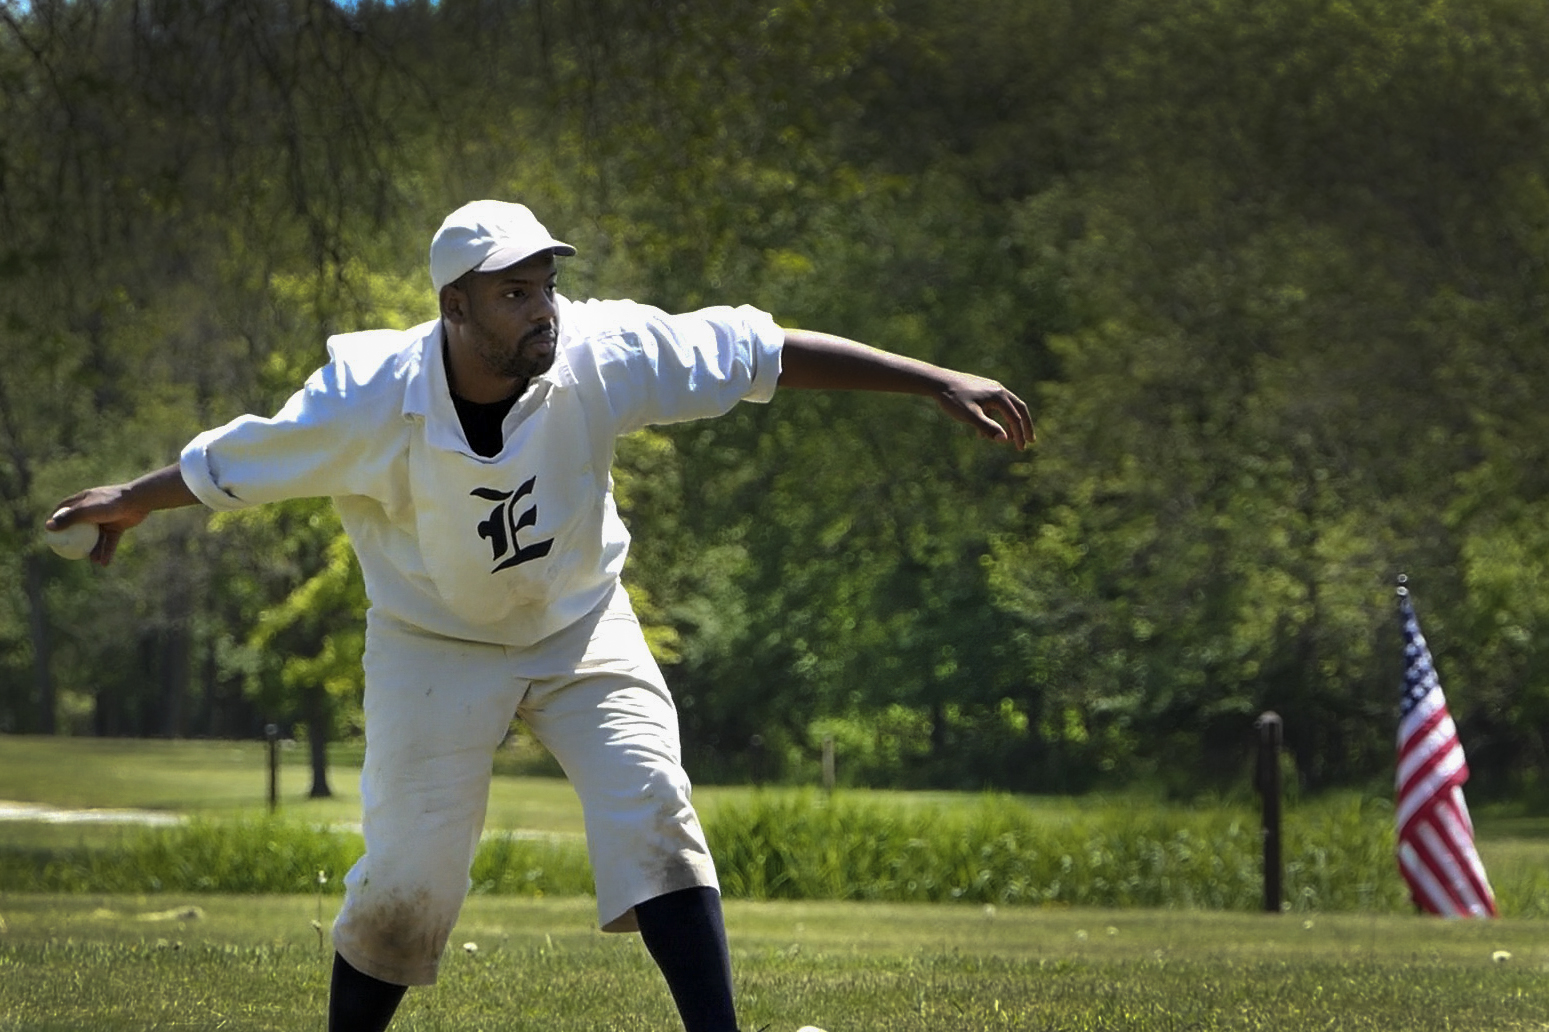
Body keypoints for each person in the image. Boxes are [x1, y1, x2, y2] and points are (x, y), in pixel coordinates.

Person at [47, 199, 1033, 1032]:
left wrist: (931, 379)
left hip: (578, 623)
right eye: (514, 292)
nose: (542, 309)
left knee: (654, 807)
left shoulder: (599, 352)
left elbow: (757, 351)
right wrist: (131, 499)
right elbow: (238, 461)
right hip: (432, 643)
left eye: (546, 285)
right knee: (408, 880)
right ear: (456, 306)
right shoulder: (367, 397)